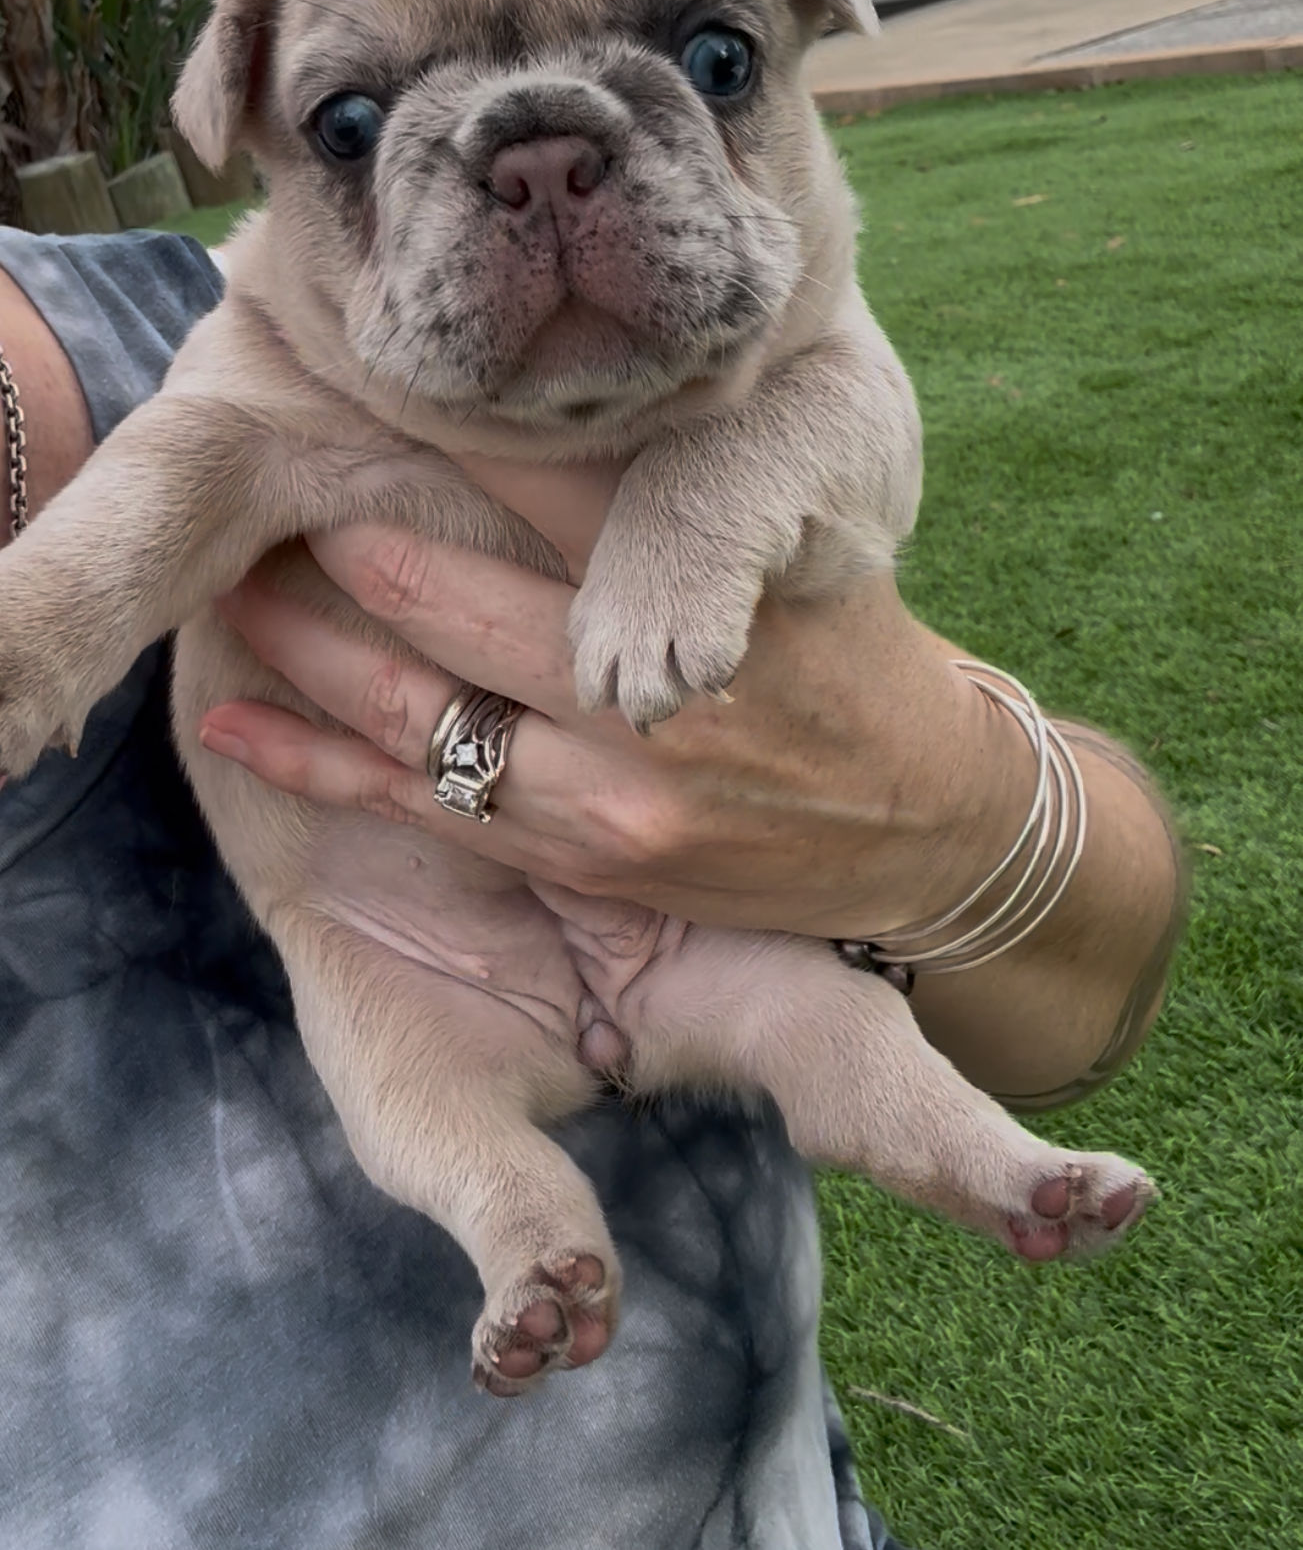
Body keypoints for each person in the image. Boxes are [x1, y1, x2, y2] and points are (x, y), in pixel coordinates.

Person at [0, 225, 1184, 1550]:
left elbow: (846, 405)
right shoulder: (261, 336)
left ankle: (985, 1157)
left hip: (695, 942)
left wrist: (938, 807)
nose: (539, 179)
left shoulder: (168, 297)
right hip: (396, 936)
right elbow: (190, 471)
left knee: (824, 1019)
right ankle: (522, 1226)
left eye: (708, 60)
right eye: (358, 119)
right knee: (413, 1086)